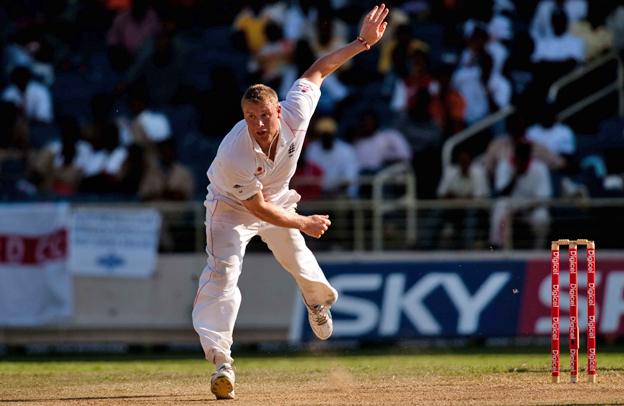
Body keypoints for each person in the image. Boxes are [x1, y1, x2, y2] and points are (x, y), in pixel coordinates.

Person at [192, 4, 390, 401]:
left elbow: (317, 70)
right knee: (223, 274)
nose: (259, 124)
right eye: (250, 117)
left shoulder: (296, 111)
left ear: (277, 110)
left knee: (296, 256)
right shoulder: (235, 153)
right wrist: (303, 221)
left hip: (274, 196)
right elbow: (258, 211)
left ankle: (317, 303)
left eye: (264, 115)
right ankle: (221, 363)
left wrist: (362, 43)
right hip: (231, 207)